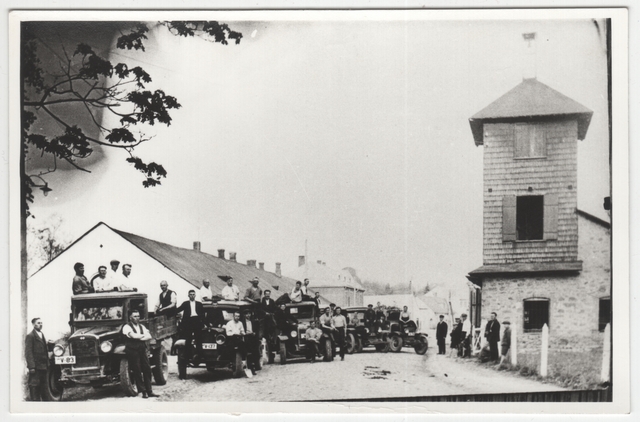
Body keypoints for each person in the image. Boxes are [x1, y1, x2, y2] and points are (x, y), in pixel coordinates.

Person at [122, 310, 159, 398]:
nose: (137, 318)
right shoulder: (126, 327)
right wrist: (143, 336)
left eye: (138, 316)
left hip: (142, 349)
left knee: (147, 369)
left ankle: (149, 391)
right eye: (135, 316)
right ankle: (143, 392)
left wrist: (139, 337)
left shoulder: (142, 326)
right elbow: (133, 336)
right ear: (130, 318)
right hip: (132, 350)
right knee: (137, 370)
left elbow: (149, 336)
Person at [175, 290, 204, 368]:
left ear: (195, 295)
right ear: (188, 295)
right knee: (188, 339)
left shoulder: (199, 304)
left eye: (193, 294)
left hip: (197, 321)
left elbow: (203, 314)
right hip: (188, 322)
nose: (192, 296)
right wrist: (170, 311)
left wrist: (202, 323)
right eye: (190, 294)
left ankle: (199, 355)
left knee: (198, 339)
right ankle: (188, 356)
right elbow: (178, 309)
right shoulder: (185, 303)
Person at [25, 317, 49, 401]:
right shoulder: (30, 336)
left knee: (44, 387)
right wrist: (31, 366)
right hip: (35, 367)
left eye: (41, 323)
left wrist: (47, 364)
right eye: (38, 323)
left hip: (43, 367)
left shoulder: (42, 334)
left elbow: (45, 351)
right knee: (34, 386)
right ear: (33, 324)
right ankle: (35, 404)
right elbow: (28, 352)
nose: (40, 324)